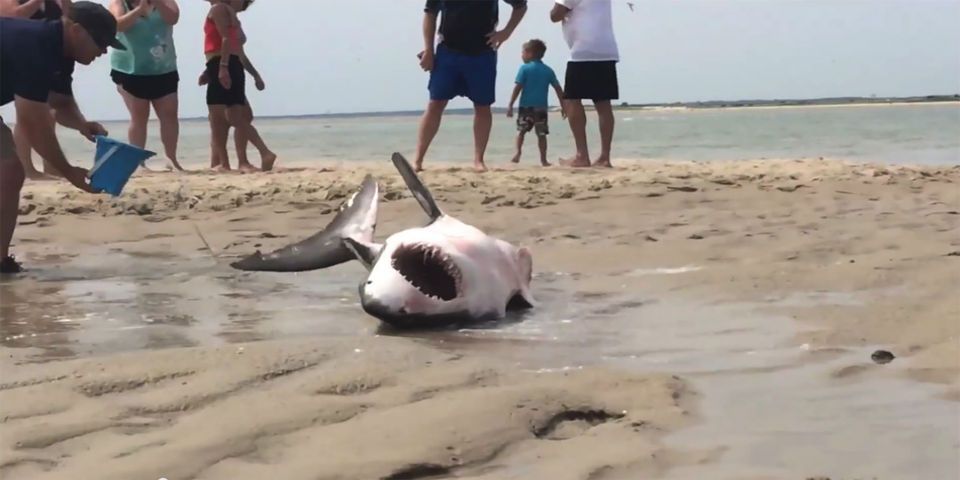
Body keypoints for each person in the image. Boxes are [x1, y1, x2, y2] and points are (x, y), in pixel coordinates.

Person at [0, 1, 123, 273]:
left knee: (8, 171)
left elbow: (60, 102)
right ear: (77, 30)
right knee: (8, 168)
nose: (103, 51)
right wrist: (69, 172)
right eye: (101, 42)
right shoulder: (35, 45)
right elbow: (33, 122)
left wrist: (82, 124)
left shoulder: (61, 51)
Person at [415, 0, 528, 172]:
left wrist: (506, 32)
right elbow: (430, 14)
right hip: (448, 51)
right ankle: (418, 159)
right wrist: (428, 50)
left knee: (482, 106)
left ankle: (478, 160)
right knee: (435, 103)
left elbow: (520, 5)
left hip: (482, 53)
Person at [1, 0, 75, 181]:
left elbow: (71, 21)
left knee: (48, 114)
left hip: (46, 60)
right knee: (27, 115)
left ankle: (51, 167)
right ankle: (27, 167)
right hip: (19, 59)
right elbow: (11, 19)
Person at [108, 0, 185, 172]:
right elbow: (117, 25)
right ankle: (138, 162)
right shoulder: (119, 3)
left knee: (169, 114)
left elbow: (173, 18)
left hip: (164, 67)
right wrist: (138, 11)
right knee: (139, 115)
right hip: (130, 69)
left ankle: (171, 158)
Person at [202, 0, 274, 173]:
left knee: (223, 116)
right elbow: (236, 51)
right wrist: (254, 74)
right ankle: (227, 162)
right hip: (225, 64)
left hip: (223, 64)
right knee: (230, 115)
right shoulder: (227, 12)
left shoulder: (218, 9)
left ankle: (261, 153)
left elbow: (226, 41)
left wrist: (222, 67)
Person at [550, 0, 620, 168]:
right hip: (606, 49)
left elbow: (555, 15)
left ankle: (582, 155)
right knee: (603, 104)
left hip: (582, 50)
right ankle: (605, 156)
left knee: (573, 99)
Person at [506, 39, 565, 167]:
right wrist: (563, 106)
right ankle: (543, 160)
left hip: (526, 107)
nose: (521, 55)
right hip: (541, 108)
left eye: (523, 52)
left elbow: (518, 88)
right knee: (542, 134)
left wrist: (510, 104)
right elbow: (559, 89)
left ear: (529, 53)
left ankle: (517, 154)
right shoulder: (548, 70)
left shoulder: (524, 69)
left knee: (521, 131)